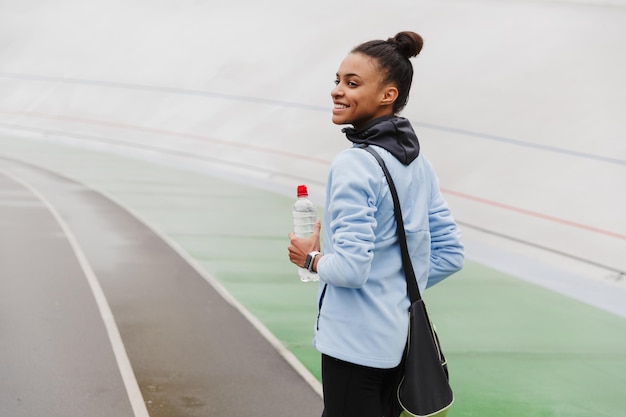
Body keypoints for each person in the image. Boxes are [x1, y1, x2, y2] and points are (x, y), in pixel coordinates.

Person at [288, 31, 464, 417]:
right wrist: (391, 292)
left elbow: (350, 270)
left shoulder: (354, 164)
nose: (337, 91)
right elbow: (451, 255)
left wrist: (310, 259)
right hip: (398, 343)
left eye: (352, 83)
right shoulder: (419, 164)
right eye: (337, 80)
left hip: (354, 345)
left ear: (388, 95)